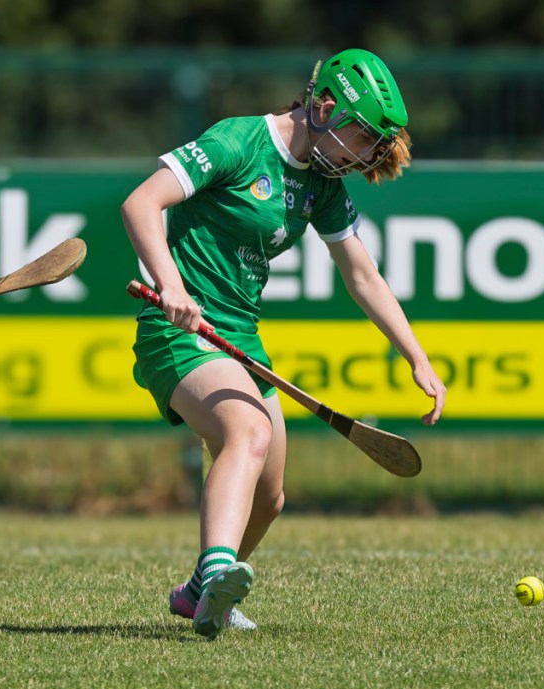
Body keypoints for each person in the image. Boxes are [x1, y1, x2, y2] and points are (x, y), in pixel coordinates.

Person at [122, 48, 446, 640]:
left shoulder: (321, 182)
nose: (361, 155)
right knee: (248, 433)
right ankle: (218, 570)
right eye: (359, 136)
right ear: (324, 108)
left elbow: (362, 275)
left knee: (269, 497)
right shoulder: (238, 141)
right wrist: (171, 284)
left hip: (238, 335)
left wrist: (416, 356)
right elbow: (140, 203)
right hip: (179, 331)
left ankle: (197, 594)